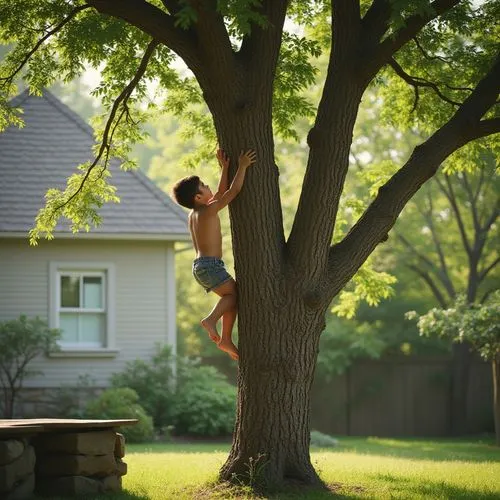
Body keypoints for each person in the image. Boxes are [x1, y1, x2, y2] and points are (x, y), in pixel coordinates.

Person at [172, 148, 256, 361]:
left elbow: (219, 193)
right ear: (198, 197)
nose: (208, 186)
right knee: (233, 296)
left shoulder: (195, 214)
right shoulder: (207, 211)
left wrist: (225, 168)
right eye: (203, 186)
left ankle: (226, 338)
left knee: (232, 297)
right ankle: (211, 320)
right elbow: (232, 192)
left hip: (201, 267)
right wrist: (243, 166)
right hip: (210, 266)